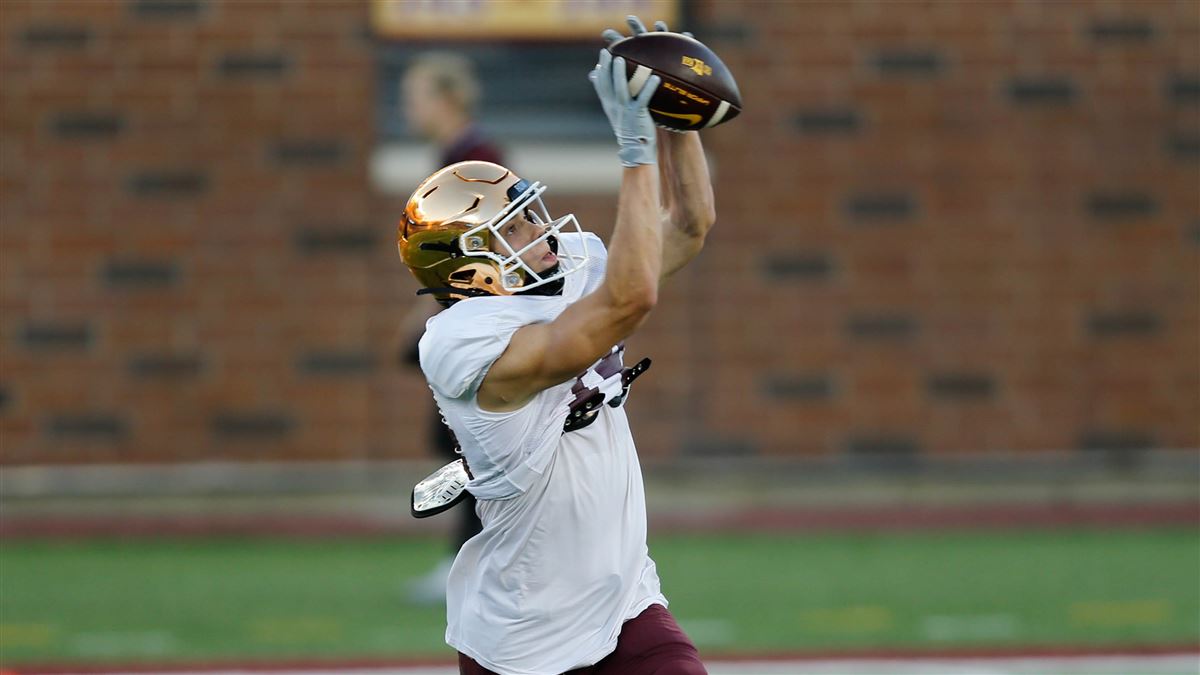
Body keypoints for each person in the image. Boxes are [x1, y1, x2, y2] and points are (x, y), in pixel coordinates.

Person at [396, 17, 714, 675]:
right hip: (525, 639)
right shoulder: (461, 345)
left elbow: (688, 225)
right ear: (465, 271)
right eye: (517, 226)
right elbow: (629, 301)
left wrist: (673, 119)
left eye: (532, 210)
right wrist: (631, 153)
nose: (543, 229)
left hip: (626, 599)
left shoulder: (562, 266)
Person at [397, 51, 505, 605]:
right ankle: (471, 557)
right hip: (461, 318)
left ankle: (476, 560)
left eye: (416, 96)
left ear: (447, 98)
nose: (406, 108)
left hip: (475, 322)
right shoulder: (454, 157)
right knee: (456, 439)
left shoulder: (472, 161)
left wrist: (432, 314)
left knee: (469, 439)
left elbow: (474, 250)